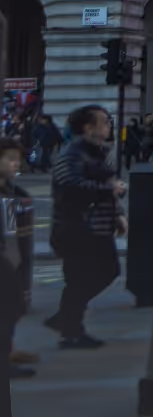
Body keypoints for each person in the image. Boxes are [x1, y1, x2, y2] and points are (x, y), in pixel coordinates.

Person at [47, 106, 125, 350]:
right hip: (76, 228)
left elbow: (105, 183)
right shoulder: (73, 152)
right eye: (104, 121)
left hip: (96, 228)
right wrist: (108, 191)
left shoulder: (97, 152)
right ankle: (70, 331)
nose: (108, 125)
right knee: (79, 279)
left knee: (108, 271)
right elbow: (70, 184)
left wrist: (119, 214)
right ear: (88, 127)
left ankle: (65, 320)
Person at [0, 135, 35, 399]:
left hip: (10, 264)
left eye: (18, 159)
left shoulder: (12, 193)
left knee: (10, 314)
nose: (16, 164)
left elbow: (12, 236)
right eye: (10, 159)